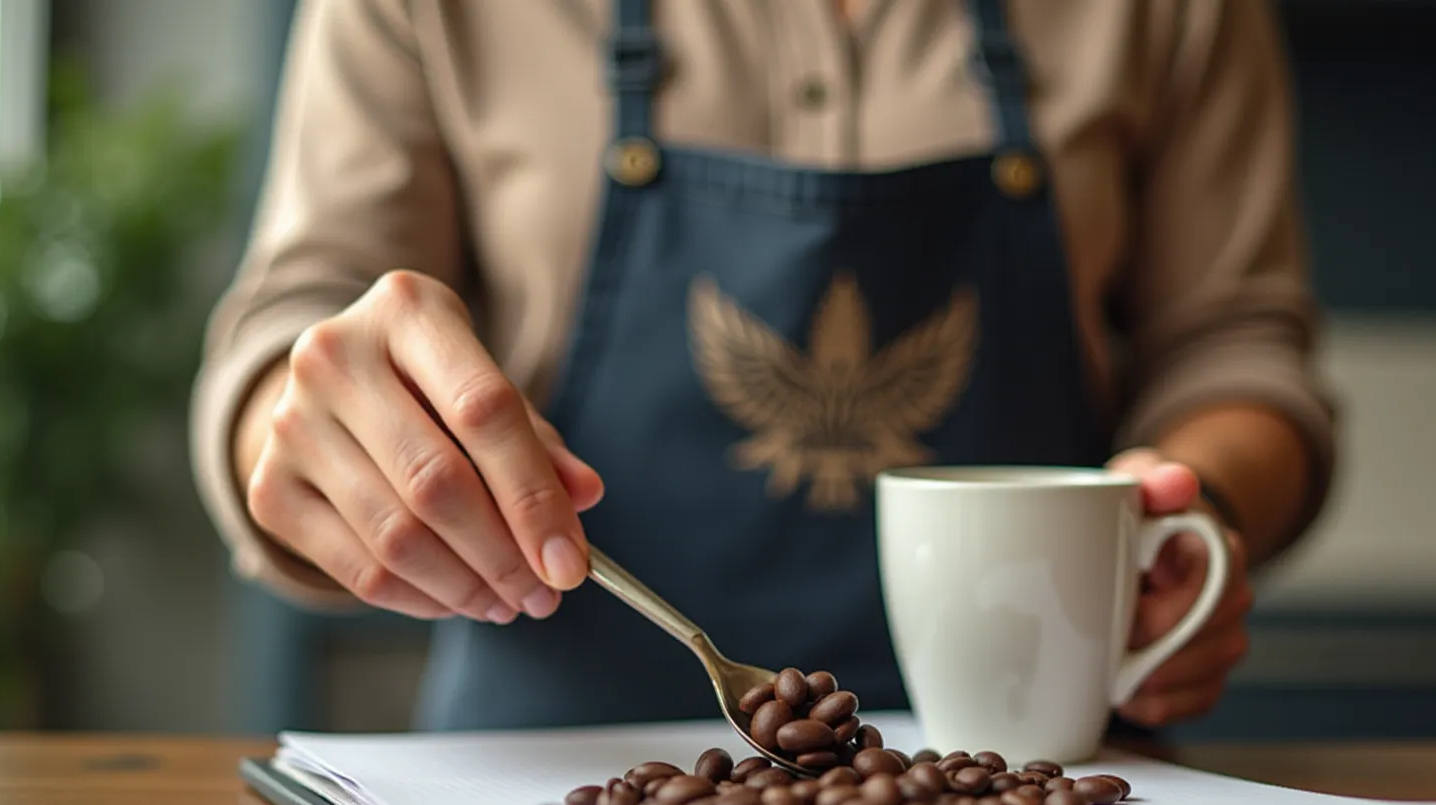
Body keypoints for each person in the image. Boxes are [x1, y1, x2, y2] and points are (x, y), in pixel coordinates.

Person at [192, 0, 1336, 733]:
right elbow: (291, 330)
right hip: (541, 793)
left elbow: (1236, 350)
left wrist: (1197, 503)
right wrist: (299, 424)